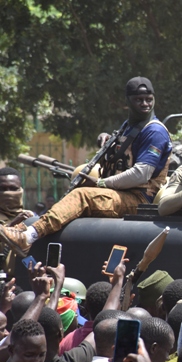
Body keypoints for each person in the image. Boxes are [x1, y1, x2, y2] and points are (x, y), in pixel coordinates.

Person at [0, 77, 172, 257]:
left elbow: (141, 174)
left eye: (149, 99)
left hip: (140, 199)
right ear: (128, 101)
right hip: (122, 194)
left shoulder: (154, 131)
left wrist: (102, 183)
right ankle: (26, 229)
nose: (145, 104)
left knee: (82, 195)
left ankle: (28, 237)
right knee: (79, 188)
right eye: (139, 100)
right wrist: (108, 140)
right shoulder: (130, 126)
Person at [0, 167, 34, 276]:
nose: (8, 193)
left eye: (13, 188)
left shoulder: (31, 217)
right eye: (3, 188)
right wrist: (12, 225)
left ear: (20, 190)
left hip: (28, 282)